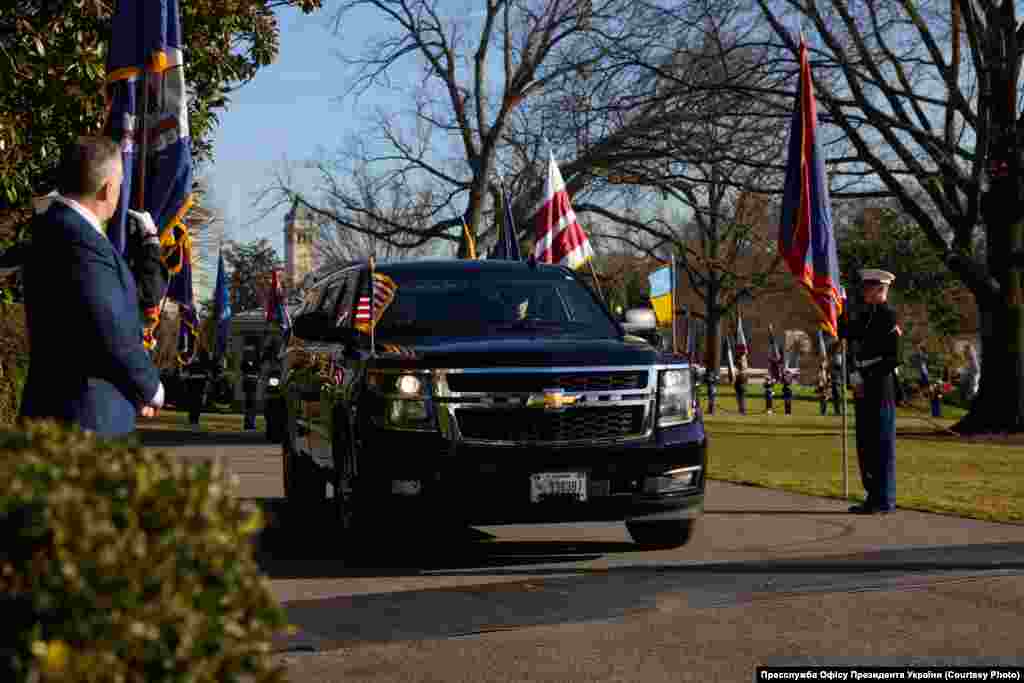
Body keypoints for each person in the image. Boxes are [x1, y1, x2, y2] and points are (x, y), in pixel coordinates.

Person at [19, 136, 164, 437]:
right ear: (107, 188)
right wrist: (150, 387)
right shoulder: (78, 238)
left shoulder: (59, 228)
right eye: (120, 183)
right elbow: (108, 326)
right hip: (84, 418)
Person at [839, 268, 902, 514]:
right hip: (862, 383)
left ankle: (884, 499)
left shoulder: (889, 316)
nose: (864, 290)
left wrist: (864, 376)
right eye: (864, 286)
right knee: (865, 445)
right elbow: (846, 332)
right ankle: (872, 496)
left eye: (869, 287)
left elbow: (893, 358)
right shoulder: (866, 314)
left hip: (880, 386)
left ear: (881, 289)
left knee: (881, 445)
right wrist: (839, 306)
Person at [183, 349, 212, 429]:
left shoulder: (192, 365)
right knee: (197, 405)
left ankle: (192, 420)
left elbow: (185, 376)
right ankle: (195, 420)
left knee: (193, 405)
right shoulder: (204, 366)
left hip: (192, 388)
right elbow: (208, 378)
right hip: (199, 389)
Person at [241, 346, 260, 430]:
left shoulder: (256, 363)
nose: (250, 355)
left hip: (254, 386)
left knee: (253, 406)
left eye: (251, 353)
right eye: (248, 353)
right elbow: (244, 374)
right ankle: (247, 423)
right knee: (248, 405)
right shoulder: (244, 363)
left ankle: (251, 423)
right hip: (248, 386)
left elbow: (258, 373)